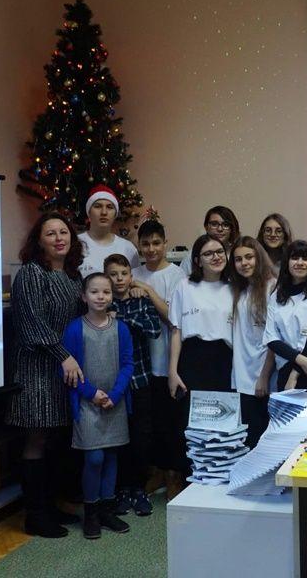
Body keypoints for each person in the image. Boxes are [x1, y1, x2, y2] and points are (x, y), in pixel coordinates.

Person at [5, 212, 84, 538]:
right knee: (36, 438)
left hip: (63, 368)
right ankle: (35, 515)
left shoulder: (73, 276)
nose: (58, 238)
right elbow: (32, 323)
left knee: (54, 439)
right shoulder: (31, 274)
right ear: (38, 240)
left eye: (63, 232)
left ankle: (50, 506)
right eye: (50, 233)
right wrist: (64, 356)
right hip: (36, 368)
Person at [63, 273, 134, 539]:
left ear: (112, 296)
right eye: (94, 292)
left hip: (114, 403)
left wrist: (114, 395)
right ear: (84, 296)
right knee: (94, 458)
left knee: (112, 456)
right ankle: (91, 512)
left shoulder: (121, 328)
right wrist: (92, 394)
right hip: (87, 403)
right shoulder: (74, 329)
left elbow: (128, 364)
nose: (100, 297)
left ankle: (107, 510)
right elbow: (67, 371)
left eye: (106, 292)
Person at [168, 235, 235, 494]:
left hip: (225, 360)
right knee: (191, 424)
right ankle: (191, 484)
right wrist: (173, 371)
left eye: (219, 251)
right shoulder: (185, 286)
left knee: (223, 423)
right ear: (197, 260)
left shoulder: (235, 286)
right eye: (208, 253)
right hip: (193, 359)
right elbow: (176, 330)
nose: (216, 257)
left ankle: (219, 483)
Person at [130, 220, 188, 500]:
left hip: (168, 361)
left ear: (165, 243)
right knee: (148, 422)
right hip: (142, 364)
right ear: (139, 246)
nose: (151, 249)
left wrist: (149, 291)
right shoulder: (132, 274)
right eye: (145, 244)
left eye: (156, 243)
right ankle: (155, 471)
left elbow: (172, 317)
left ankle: (174, 474)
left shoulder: (176, 275)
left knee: (171, 422)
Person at [104, 254, 162, 517]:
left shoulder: (141, 300)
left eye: (124, 274)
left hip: (139, 380)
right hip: (113, 383)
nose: (119, 279)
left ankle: (139, 489)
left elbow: (154, 331)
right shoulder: (102, 303)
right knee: (118, 439)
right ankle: (121, 490)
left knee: (141, 438)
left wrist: (123, 321)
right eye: (113, 274)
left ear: (131, 275)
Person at [263, 240, 307, 397]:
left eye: (306, 259)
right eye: (294, 258)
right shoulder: (276, 296)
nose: (300, 263)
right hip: (286, 368)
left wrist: (294, 375)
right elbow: (271, 339)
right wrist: (300, 360)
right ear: (287, 262)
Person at [228, 236, 276, 448]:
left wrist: (264, 376)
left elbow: (275, 338)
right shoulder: (240, 289)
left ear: (259, 258)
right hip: (242, 375)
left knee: (261, 440)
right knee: (247, 439)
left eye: (249, 257)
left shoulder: (272, 288)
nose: (244, 263)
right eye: (238, 259)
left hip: (262, 377)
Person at [77, 186, 139, 275]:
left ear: (115, 214)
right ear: (89, 212)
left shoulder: (128, 248)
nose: (104, 212)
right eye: (98, 206)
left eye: (109, 207)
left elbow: (134, 280)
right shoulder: (75, 244)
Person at [178, 205, 240, 275]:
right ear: (206, 227)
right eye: (214, 224)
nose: (220, 229)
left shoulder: (239, 253)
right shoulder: (193, 255)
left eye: (225, 225)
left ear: (232, 228)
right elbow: (182, 279)